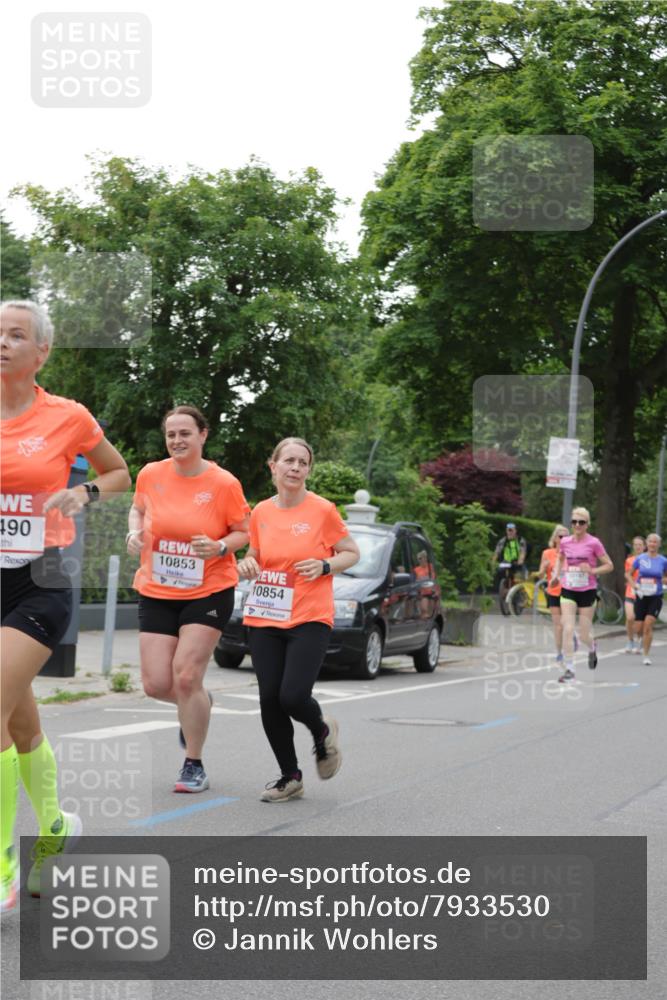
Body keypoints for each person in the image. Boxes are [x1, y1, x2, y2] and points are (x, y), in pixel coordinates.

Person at [1, 300, 130, 911]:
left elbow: (118, 472)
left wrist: (83, 491)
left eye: (16, 335)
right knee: (18, 723)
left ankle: (1, 865)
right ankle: (54, 826)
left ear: (41, 352)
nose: (2, 342)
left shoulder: (67, 417)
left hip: (42, 579)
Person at [127, 405, 250, 793]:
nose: (177, 440)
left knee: (185, 675)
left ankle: (193, 763)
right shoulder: (151, 474)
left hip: (208, 589)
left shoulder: (223, 483)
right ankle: (198, 701)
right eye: (171, 434)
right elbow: (137, 509)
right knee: (155, 683)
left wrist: (217, 546)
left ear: (203, 435)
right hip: (157, 588)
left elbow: (243, 532)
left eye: (185, 433)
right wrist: (134, 533)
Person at [237, 437, 360, 803]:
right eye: (288, 460)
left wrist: (325, 564)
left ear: (308, 470)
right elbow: (255, 553)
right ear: (272, 466)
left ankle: (322, 731)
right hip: (265, 615)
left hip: (309, 616)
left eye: (302, 463)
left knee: (292, 695)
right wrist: (247, 563)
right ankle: (290, 777)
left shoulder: (322, 510)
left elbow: (351, 552)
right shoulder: (260, 512)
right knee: (269, 700)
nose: (295, 467)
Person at [552, 507, 613, 683]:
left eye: (581, 522)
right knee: (568, 628)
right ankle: (570, 669)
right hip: (568, 589)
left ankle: (592, 646)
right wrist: (556, 575)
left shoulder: (594, 543)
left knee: (584, 634)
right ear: (571, 523)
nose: (577, 525)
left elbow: (609, 565)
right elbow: (560, 559)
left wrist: (593, 570)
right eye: (574, 522)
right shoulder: (565, 542)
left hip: (587, 591)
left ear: (587, 524)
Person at [628, 533, 667, 665]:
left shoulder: (663, 561)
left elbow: (666, 577)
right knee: (638, 627)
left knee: (648, 624)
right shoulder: (640, 559)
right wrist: (634, 585)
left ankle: (646, 655)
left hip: (656, 596)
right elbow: (628, 574)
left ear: (659, 545)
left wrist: (661, 580)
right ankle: (639, 638)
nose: (652, 544)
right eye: (650, 541)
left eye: (655, 542)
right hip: (641, 595)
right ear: (647, 544)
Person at [538, 525, 568, 663]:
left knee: (567, 623)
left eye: (566, 537)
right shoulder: (547, 553)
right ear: (555, 538)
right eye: (561, 536)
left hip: (569, 592)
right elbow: (540, 575)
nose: (563, 539)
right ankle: (559, 651)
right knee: (558, 624)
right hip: (553, 592)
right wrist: (544, 568)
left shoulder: (572, 553)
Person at [623, 536, 646, 653]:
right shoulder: (629, 560)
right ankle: (630, 641)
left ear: (644, 546)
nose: (637, 546)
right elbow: (627, 575)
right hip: (631, 592)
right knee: (630, 617)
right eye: (635, 544)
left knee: (640, 620)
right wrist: (633, 585)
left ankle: (640, 640)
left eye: (640, 544)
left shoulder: (648, 560)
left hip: (645, 592)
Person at [492, 522, 527, 592]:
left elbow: (522, 552)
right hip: (506, 562)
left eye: (512, 530)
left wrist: (520, 561)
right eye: (508, 530)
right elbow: (497, 552)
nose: (510, 532)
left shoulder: (520, 540)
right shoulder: (503, 541)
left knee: (524, 575)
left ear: (515, 531)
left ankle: (521, 590)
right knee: (498, 571)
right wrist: (493, 562)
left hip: (516, 562)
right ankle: (502, 587)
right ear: (506, 531)